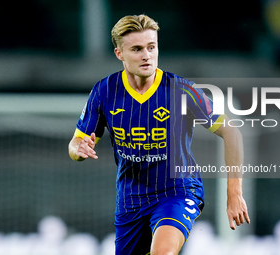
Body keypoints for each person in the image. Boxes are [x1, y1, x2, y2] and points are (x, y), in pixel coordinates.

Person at [68, 14, 250, 255]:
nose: (146, 55)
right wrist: (78, 150)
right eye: (137, 49)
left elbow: (232, 133)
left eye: (151, 47)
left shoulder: (182, 91)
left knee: (162, 252)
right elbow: (76, 144)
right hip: (130, 200)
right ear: (119, 54)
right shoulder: (105, 91)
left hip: (177, 191)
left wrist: (234, 194)